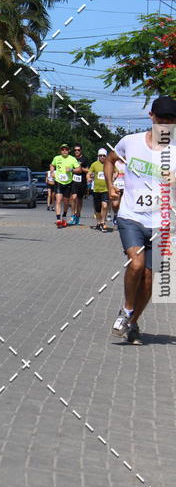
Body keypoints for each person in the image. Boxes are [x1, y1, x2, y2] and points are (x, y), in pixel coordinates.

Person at [106, 95, 176, 345]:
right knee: (136, 265)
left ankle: (132, 323)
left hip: (163, 223)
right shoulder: (131, 142)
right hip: (131, 217)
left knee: (149, 280)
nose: (165, 125)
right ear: (151, 116)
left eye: (171, 121)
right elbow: (111, 160)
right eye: (161, 119)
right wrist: (110, 187)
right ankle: (126, 310)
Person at [49, 143, 81, 227]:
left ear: (68, 151)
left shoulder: (72, 159)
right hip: (59, 181)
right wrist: (52, 172)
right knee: (58, 200)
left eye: (66, 149)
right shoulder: (57, 158)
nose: (64, 151)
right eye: (62, 149)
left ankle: (64, 215)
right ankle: (58, 219)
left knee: (66, 202)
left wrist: (71, 169)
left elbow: (79, 169)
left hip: (68, 183)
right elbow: (52, 165)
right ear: (60, 151)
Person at [89, 149, 109, 232]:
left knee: (104, 205)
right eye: (100, 155)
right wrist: (88, 178)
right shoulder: (94, 164)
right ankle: (98, 223)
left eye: (104, 155)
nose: (102, 157)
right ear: (98, 156)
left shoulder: (109, 164)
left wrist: (114, 176)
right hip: (96, 190)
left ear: (106, 156)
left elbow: (116, 171)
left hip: (105, 189)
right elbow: (89, 173)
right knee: (97, 209)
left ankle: (102, 222)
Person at [68, 143, 89, 225]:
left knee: (79, 200)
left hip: (82, 182)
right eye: (75, 150)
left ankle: (78, 215)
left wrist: (80, 169)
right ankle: (73, 215)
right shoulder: (71, 159)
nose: (76, 151)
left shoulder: (85, 159)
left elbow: (88, 170)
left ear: (81, 150)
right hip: (73, 181)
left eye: (78, 150)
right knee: (73, 197)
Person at [111, 158, 125, 225]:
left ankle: (121, 218)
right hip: (116, 186)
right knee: (115, 204)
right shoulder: (115, 163)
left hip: (126, 187)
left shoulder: (127, 163)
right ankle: (115, 214)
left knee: (123, 204)